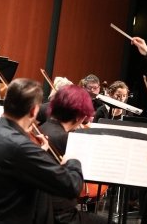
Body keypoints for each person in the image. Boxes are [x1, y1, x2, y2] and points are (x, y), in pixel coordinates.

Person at [0, 78, 84, 224]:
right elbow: (72, 186)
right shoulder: (21, 147)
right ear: (34, 110)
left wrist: (38, 152)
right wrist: (73, 160)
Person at [39, 85, 106, 224]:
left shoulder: (42, 128)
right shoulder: (68, 139)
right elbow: (75, 188)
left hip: (42, 210)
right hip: (61, 216)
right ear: (79, 116)